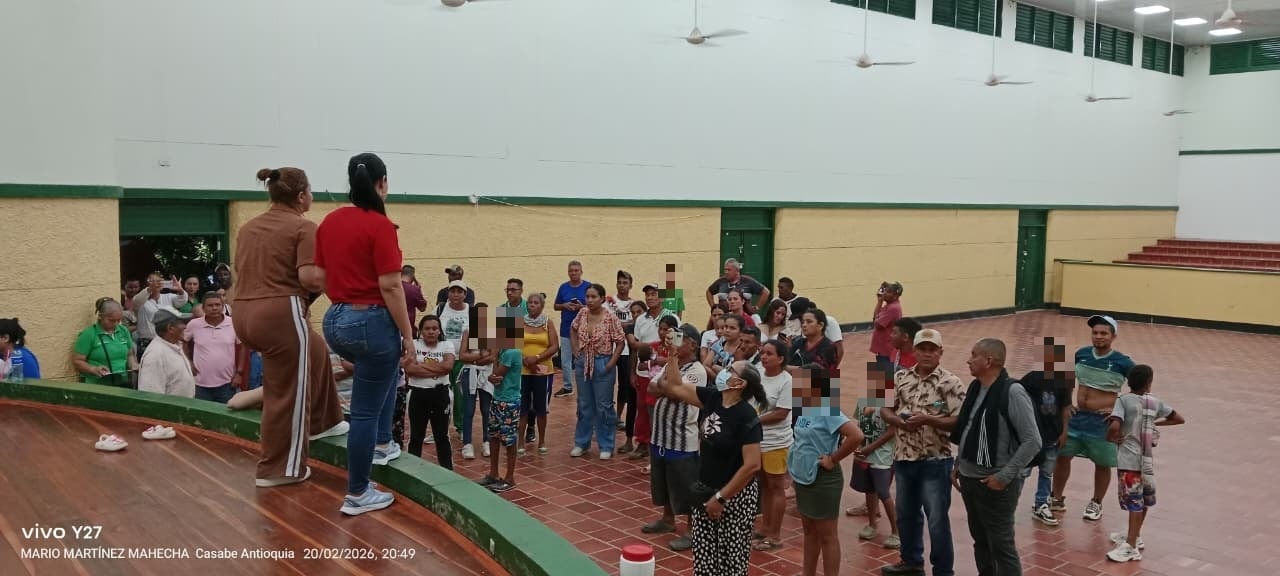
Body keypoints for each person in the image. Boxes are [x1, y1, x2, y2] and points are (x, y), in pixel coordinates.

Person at [235, 167, 348, 492]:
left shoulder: (248, 228)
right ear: (301, 196)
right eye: (310, 192)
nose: (311, 197)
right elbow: (311, 278)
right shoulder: (303, 227)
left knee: (315, 350)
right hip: (279, 312)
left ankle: (324, 422)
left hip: (243, 311)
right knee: (288, 392)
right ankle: (279, 468)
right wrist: (348, 280)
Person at [316, 154, 414, 515]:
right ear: (383, 182)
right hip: (371, 322)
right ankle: (358, 491)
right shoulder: (381, 226)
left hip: (336, 319)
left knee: (386, 373)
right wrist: (408, 335)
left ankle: (384, 443)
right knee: (364, 413)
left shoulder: (330, 221)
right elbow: (390, 286)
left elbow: (318, 275)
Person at [653, 354, 765, 576]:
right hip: (705, 490)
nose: (724, 370)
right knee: (704, 556)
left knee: (730, 560)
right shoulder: (713, 398)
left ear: (739, 383)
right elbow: (675, 387)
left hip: (734, 499)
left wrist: (721, 497)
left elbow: (752, 465)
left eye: (731, 369)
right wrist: (673, 354)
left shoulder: (746, 416)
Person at [879, 328, 965, 576]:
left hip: (935, 461)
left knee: (937, 520)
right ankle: (911, 561)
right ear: (914, 351)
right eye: (922, 349)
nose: (927, 354)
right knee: (906, 515)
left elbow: (959, 420)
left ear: (940, 352)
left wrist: (928, 419)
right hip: (904, 458)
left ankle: (943, 570)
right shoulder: (899, 378)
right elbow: (885, 409)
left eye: (932, 349)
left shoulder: (951, 382)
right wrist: (898, 421)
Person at [952, 338, 1041, 576]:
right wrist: (958, 463)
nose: (969, 360)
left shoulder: (1012, 391)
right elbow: (968, 427)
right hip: (970, 479)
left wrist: (1004, 476)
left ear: (988, 360)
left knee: (1001, 545)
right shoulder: (975, 387)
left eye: (974, 355)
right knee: (980, 541)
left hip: (995, 483)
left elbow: (1033, 441)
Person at [1051, 315, 1135, 522]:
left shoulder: (1123, 363)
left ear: (1113, 336)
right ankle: (1056, 498)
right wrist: (1067, 404)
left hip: (1102, 424)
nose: (1098, 337)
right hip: (1077, 418)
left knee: (1102, 463)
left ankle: (1096, 502)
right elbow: (1068, 380)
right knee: (1062, 457)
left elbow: (1139, 390)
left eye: (1103, 333)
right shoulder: (1082, 354)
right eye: (1095, 333)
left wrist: (1119, 409)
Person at [1104, 365, 1185, 563]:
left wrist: (1111, 438)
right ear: (1149, 383)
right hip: (1146, 461)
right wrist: (1153, 425)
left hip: (1129, 461)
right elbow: (1178, 418)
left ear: (1128, 382)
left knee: (1133, 503)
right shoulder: (1154, 402)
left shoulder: (1123, 400)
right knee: (1143, 500)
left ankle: (1130, 546)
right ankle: (1135, 535)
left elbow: (1114, 425)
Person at [789, 365, 863, 576]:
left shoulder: (828, 409)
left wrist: (833, 458)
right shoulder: (806, 408)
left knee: (827, 535)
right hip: (805, 478)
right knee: (809, 531)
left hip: (823, 480)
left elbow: (856, 436)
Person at [642, 323, 706, 551]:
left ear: (692, 344)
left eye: (680, 338)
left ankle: (691, 529)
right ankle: (667, 519)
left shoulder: (697, 370)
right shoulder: (673, 363)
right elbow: (652, 387)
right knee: (663, 480)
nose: (674, 342)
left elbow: (677, 392)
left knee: (687, 485)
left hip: (681, 437)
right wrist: (667, 385)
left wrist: (667, 385)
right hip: (661, 435)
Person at [1020, 338, 1075, 526]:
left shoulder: (1063, 382)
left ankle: (1041, 504)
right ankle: (1009, 503)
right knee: (1022, 471)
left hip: (1053, 435)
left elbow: (1066, 408)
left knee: (1047, 471)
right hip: (1031, 437)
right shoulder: (1030, 379)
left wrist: (1065, 431)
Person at [570, 283, 625, 459]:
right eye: (588, 297)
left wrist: (612, 362)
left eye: (594, 297)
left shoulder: (610, 318)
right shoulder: (582, 313)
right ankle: (582, 443)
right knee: (584, 404)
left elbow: (621, 341)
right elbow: (573, 328)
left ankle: (606, 444)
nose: (590, 300)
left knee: (604, 406)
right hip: (583, 362)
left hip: (603, 362)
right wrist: (574, 348)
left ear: (602, 298)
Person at [850, 363, 900, 549]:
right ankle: (872, 524)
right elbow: (858, 424)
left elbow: (891, 431)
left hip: (882, 455)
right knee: (869, 490)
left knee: (883, 491)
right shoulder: (863, 401)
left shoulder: (890, 404)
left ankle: (896, 531)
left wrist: (871, 448)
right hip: (864, 453)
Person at [753, 339, 793, 552]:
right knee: (765, 485)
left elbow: (781, 413)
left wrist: (753, 420)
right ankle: (765, 527)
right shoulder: (758, 372)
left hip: (776, 442)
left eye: (769, 354)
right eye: (763, 353)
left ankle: (775, 535)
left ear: (780, 358)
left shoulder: (786, 381)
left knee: (776, 486)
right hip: (758, 439)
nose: (764, 356)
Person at [480, 317, 525, 493]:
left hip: (509, 402)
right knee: (494, 436)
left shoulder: (512, 353)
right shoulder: (502, 352)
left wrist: (495, 359)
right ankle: (493, 473)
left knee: (509, 440)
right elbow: (494, 378)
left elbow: (495, 376)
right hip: (498, 399)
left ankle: (510, 477)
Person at [404, 315, 455, 467]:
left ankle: (447, 471)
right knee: (416, 436)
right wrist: (437, 370)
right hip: (418, 394)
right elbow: (410, 369)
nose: (431, 332)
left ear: (439, 331)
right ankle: (413, 471)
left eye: (434, 328)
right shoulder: (413, 345)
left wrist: (420, 366)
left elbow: (448, 367)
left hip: (440, 394)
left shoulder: (447, 345)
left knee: (442, 436)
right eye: (427, 328)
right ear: (420, 331)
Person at [183, 292, 244, 403]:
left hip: (227, 383)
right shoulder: (194, 324)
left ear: (223, 306)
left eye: (217, 305)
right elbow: (184, 342)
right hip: (200, 384)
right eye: (210, 305)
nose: (214, 308)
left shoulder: (234, 323)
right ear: (203, 308)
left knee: (225, 417)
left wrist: (239, 373)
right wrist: (189, 362)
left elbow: (243, 348)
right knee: (202, 417)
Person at [519, 293, 558, 455]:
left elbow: (554, 346)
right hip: (522, 370)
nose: (532, 305)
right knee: (522, 407)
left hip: (543, 371)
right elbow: (511, 345)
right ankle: (520, 441)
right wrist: (525, 360)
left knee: (541, 407)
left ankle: (541, 440)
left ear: (542, 306)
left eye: (536, 303)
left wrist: (536, 358)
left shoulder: (548, 323)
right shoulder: (518, 322)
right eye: (530, 303)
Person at [459, 304, 497, 460]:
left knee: (486, 408)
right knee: (468, 408)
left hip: (487, 373)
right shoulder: (468, 331)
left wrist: (476, 359)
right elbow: (462, 355)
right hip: (470, 372)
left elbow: (493, 356)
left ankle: (486, 441)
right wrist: (479, 359)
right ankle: (467, 443)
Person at [73, 298, 138, 387]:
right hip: (97, 385)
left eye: (118, 320)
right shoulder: (89, 334)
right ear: (100, 316)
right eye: (111, 320)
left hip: (122, 383)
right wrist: (93, 369)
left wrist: (133, 364)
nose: (115, 324)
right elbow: (77, 361)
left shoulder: (123, 331)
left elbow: (130, 354)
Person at [606, 271, 637, 451]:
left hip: (627, 350)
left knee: (625, 385)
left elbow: (634, 322)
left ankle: (618, 416)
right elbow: (608, 321)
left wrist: (620, 325)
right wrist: (625, 325)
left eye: (625, 282)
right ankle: (607, 416)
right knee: (607, 383)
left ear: (630, 285)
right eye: (619, 282)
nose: (622, 285)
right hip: (609, 349)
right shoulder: (609, 302)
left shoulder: (634, 304)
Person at [138, 309, 197, 397]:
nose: (185, 326)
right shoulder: (155, 354)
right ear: (170, 328)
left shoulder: (175, 345)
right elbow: (151, 396)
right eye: (181, 323)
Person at [438, 280, 471, 436]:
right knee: (440, 394)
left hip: (462, 360)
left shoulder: (472, 311)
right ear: (448, 293)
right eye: (452, 291)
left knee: (460, 396)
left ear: (465, 294)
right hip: (442, 359)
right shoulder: (440, 309)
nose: (456, 294)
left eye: (459, 291)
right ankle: (440, 428)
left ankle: (462, 427)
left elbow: (481, 337)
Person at [553, 260, 591, 397]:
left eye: (576, 270)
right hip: (566, 328)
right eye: (571, 270)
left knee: (585, 358)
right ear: (568, 272)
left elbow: (595, 306)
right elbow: (555, 306)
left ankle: (587, 385)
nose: (573, 273)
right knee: (565, 360)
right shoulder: (563, 287)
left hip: (585, 330)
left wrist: (582, 307)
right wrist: (565, 306)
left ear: (581, 271)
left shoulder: (588, 286)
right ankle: (568, 386)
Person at [133, 272, 188, 358]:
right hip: (147, 341)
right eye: (152, 281)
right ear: (147, 284)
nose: (156, 283)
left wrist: (180, 289)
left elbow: (182, 300)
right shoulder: (141, 299)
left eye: (159, 281)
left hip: (166, 340)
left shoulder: (168, 296)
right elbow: (136, 301)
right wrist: (149, 289)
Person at [706, 258, 771, 311]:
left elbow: (766, 292)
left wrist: (756, 307)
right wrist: (713, 307)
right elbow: (709, 292)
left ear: (737, 271)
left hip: (744, 318)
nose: (726, 272)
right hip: (724, 317)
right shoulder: (721, 281)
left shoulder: (748, 281)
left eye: (729, 270)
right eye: (725, 270)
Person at [871, 282, 905, 376]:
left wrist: (877, 318)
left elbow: (877, 324)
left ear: (895, 296)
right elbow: (875, 318)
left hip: (887, 349)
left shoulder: (893, 308)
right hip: (882, 348)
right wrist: (879, 301)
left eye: (889, 292)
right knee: (881, 379)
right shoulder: (888, 306)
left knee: (884, 379)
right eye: (885, 290)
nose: (885, 293)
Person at [402, 265, 428, 333]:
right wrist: (419, 290)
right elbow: (422, 308)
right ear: (413, 276)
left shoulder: (393, 287)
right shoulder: (414, 289)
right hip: (408, 329)